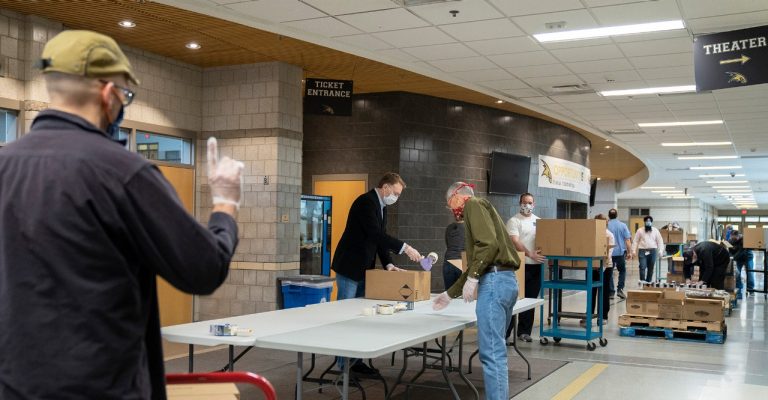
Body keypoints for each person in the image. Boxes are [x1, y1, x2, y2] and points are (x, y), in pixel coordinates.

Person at [0, 31, 243, 399]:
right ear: (108, 92)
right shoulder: (124, 173)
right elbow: (203, 268)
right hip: (102, 386)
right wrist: (226, 203)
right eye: (126, 95)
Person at [433, 182, 521, 400]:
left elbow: (487, 245)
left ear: (457, 196)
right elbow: (478, 260)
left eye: (449, 203)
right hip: (506, 280)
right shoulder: (484, 208)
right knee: (497, 352)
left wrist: (473, 278)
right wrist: (449, 293)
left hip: (493, 282)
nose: (451, 209)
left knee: (491, 354)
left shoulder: (473, 204)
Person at [331, 172, 422, 374]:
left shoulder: (381, 206)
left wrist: (389, 264)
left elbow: (378, 241)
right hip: (350, 266)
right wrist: (405, 247)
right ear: (386, 187)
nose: (396, 198)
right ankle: (343, 365)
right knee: (345, 317)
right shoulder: (366, 202)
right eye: (396, 193)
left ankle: (355, 362)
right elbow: (375, 234)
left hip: (365, 268)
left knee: (360, 317)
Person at [505, 192, 546, 343]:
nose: (527, 205)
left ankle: (524, 332)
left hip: (536, 267)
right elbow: (515, 241)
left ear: (534, 204)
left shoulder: (539, 221)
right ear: (520, 203)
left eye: (529, 202)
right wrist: (530, 254)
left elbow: (546, 241)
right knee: (513, 300)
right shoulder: (514, 221)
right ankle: (505, 333)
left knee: (530, 300)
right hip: (519, 266)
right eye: (524, 202)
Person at [581, 214, 615, 326]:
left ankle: (603, 316)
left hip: (606, 267)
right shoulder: (590, 235)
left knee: (604, 292)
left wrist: (602, 266)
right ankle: (589, 315)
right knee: (591, 291)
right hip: (591, 266)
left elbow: (608, 254)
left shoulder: (609, 235)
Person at [607, 208, 632, 299]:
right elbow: (627, 240)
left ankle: (611, 292)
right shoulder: (623, 225)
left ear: (609, 215)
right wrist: (629, 252)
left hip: (609, 253)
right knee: (622, 271)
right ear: (617, 215)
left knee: (609, 272)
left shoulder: (606, 225)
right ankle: (620, 290)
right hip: (620, 253)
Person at [631, 215, 664, 282]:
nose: (648, 222)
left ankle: (648, 283)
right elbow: (635, 241)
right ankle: (642, 282)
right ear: (644, 222)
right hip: (642, 251)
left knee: (650, 268)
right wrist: (633, 250)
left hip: (653, 251)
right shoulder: (640, 230)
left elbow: (660, 241)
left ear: (651, 222)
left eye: (649, 221)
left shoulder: (655, 230)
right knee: (642, 267)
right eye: (647, 221)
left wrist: (661, 250)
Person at [443, 211, 466, 291]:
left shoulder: (449, 227)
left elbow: (448, 243)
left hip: (448, 262)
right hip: (461, 262)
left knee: (449, 294)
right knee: (462, 295)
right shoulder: (468, 228)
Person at [729, 231, 754, 298]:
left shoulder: (744, 240)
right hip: (738, 259)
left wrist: (732, 258)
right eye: (732, 238)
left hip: (747, 258)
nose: (733, 239)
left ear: (738, 236)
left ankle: (751, 290)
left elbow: (741, 252)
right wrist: (730, 256)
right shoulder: (731, 240)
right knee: (738, 274)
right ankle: (739, 291)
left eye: (735, 238)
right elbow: (730, 250)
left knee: (749, 273)